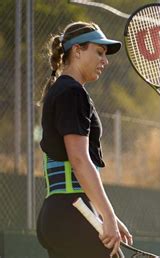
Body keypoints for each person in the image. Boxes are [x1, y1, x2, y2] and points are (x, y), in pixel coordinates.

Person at [36, 21, 132, 258]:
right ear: (77, 51)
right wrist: (107, 217)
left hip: (61, 214)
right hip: (73, 216)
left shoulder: (61, 90)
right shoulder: (72, 92)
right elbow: (79, 160)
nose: (105, 61)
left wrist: (107, 214)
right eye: (99, 52)